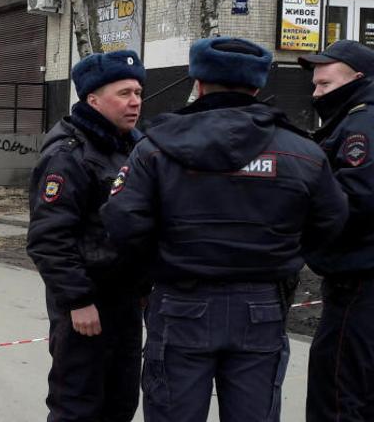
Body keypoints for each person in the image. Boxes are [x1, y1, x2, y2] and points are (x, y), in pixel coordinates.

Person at [101, 37, 348, 422]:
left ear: (198, 83)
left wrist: (153, 270)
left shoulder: (154, 149)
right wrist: (283, 254)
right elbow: (331, 221)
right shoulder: (302, 152)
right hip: (261, 306)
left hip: (181, 302)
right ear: (258, 86)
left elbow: (122, 223)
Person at [27, 49, 147, 422]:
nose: (135, 102)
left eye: (139, 93)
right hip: (86, 305)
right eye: (124, 93)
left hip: (126, 302)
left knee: (120, 403)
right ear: (93, 99)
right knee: (77, 406)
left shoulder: (133, 148)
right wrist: (78, 300)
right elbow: (48, 237)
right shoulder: (69, 155)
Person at [299, 40, 374, 422]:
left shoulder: (362, 124)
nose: (316, 94)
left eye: (325, 85)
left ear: (357, 79)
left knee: (339, 395)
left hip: (357, 282)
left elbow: (355, 201)